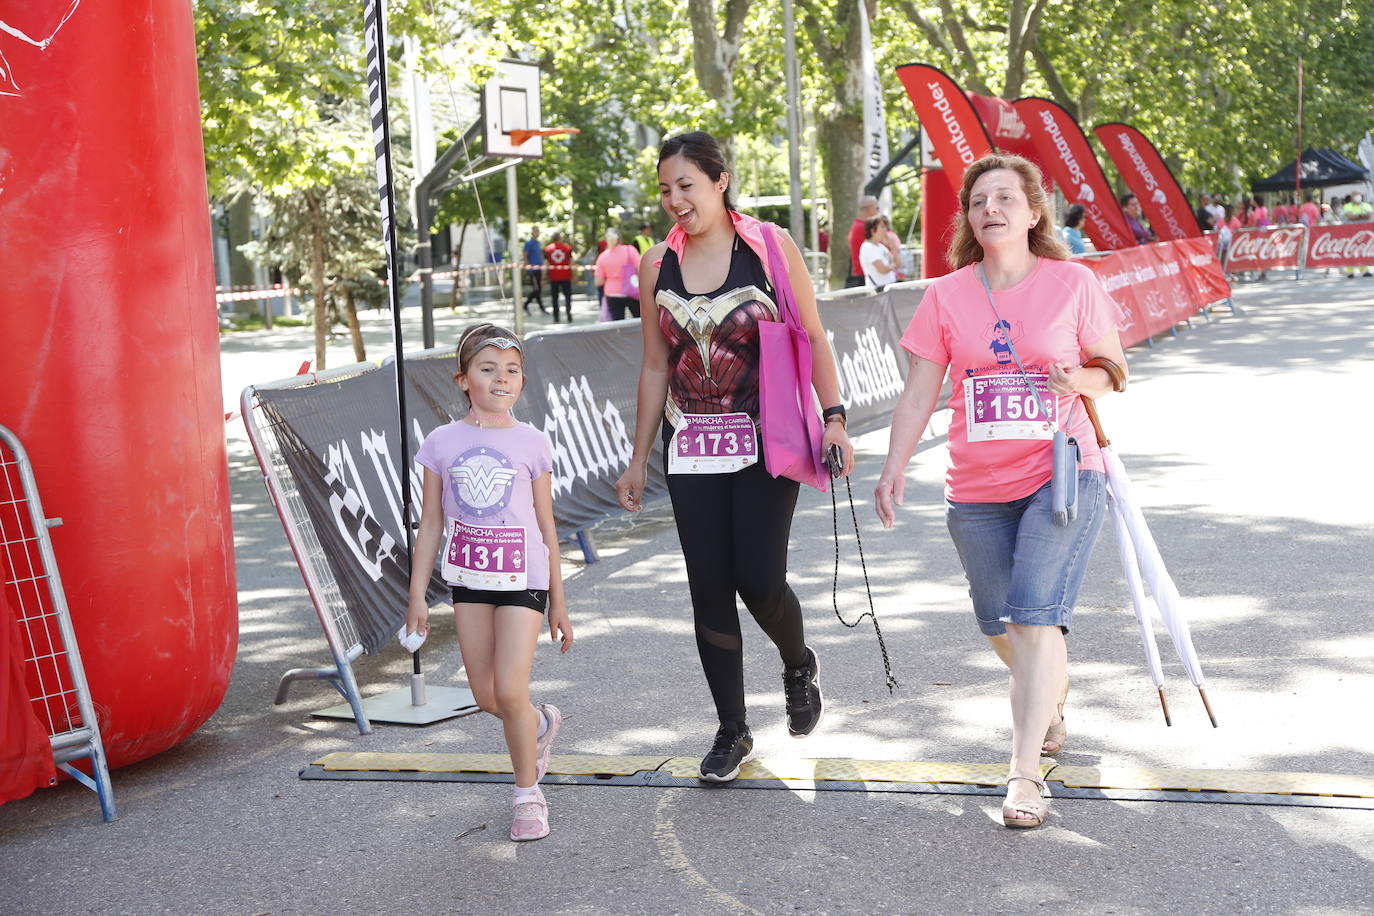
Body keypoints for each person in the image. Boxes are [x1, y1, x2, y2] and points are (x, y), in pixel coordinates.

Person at [874, 153, 1127, 829]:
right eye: (979, 200)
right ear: (968, 216)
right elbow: (920, 391)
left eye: (1006, 198)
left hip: (1063, 474)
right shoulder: (947, 295)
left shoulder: (1072, 282)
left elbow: (1116, 369)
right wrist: (894, 466)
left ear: (1033, 212)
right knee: (1000, 622)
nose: (991, 209)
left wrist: (1082, 381)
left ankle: (1022, 777)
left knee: (1031, 617)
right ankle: (1053, 693)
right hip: (977, 487)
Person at [615, 131, 855, 782]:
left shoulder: (769, 247)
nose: (674, 200)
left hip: (764, 435)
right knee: (707, 589)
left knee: (758, 577)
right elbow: (655, 363)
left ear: (721, 181)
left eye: (686, 186)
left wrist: (833, 418)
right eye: (665, 189)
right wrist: (639, 458)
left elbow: (811, 335)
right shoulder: (653, 264)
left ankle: (798, 663)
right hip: (689, 444)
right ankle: (731, 729)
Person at [405, 323, 573, 842]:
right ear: (462, 379)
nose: (502, 378)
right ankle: (540, 728)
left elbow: (547, 525)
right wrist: (416, 598)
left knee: (509, 688)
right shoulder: (440, 442)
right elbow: (430, 522)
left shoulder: (533, 442)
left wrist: (559, 602)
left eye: (512, 370)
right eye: (487, 368)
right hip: (469, 580)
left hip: (525, 580)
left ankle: (527, 796)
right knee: (486, 697)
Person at [593, 229, 642, 320]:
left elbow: (598, 281)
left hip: (612, 293)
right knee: (640, 320)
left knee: (617, 324)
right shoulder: (630, 250)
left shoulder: (603, 256)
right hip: (632, 290)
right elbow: (641, 269)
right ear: (621, 239)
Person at [846, 195, 881, 287]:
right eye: (877, 207)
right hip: (865, 277)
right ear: (869, 208)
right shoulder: (863, 227)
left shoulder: (858, 226)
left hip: (863, 276)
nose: (878, 210)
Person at [1340, 191, 1373, 277]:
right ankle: (1350, 271)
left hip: (1364, 232)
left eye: (1358, 195)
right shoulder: (1347, 206)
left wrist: (1356, 216)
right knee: (1350, 250)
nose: (1357, 197)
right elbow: (1349, 216)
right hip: (1350, 233)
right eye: (1355, 195)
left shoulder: (1366, 205)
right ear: (1351, 197)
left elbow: (1369, 216)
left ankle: (1364, 270)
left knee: (1363, 250)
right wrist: (1362, 216)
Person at [544, 230, 575, 322]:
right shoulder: (567, 248)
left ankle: (556, 317)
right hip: (566, 276)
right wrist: (575, 274)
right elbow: (571, 262)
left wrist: (544, 276)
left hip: (554, 277)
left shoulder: (548, 249)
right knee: (568, 296)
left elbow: (546, 263)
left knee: (554, 298)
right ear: (560, 238)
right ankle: (568, 314)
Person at [859, 215, 897, 289]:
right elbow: (882, 269)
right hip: (879, 291)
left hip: (889, 288)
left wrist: (893, 247)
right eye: (882, 227)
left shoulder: (880, 246)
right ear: (873, 230)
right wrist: (893, 265)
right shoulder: (867, 247)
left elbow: (898, 263)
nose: (885, 230)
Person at [522, 226, 546, 314]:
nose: (538, 233)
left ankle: (538, 307)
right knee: (536, 289)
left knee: (538, 289)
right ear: (532, 232)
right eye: (536, 231)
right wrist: (528, 267)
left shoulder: (538, 243)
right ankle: (527, 305)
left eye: (538, 231)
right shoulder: (529, 243)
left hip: (539, 269)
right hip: (532, 269)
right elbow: (525, 255)